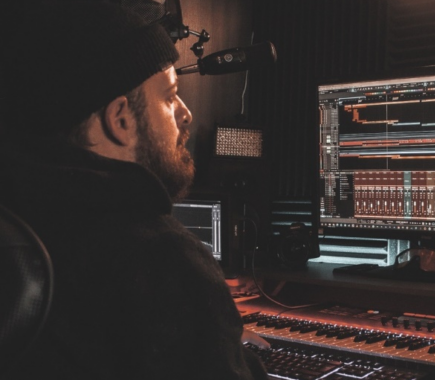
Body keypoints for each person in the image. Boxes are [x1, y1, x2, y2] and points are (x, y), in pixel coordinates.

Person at [0, 1, 267, 379]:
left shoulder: (20, 218)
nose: (185, 114)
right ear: (120, 119)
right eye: (169, 96)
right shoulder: (160, 258)